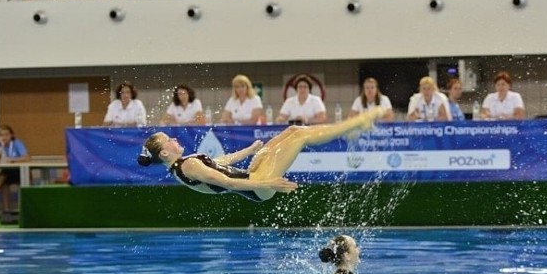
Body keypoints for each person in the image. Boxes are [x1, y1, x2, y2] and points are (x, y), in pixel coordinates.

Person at [138, 106, 384, 202]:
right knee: (300, 136)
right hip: (257, 185)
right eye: (168, 140)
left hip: (253, 177)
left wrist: (251, 150)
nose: (173, 139)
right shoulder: (187, 167)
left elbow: (220, 163)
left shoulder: (184, 165)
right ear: (164, 153)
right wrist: (270, 183)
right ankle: (356, 124)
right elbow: (226, 182)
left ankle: (350, 130)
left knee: (293, 130)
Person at [0, 125, 30, 212]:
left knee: (4, 174)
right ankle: (6, 211)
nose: (4, 137)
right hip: (9, 173)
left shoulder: (17, 143)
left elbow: (27, 158)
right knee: (4, 180)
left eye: (6, 135)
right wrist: (1, 147)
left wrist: (13, 160)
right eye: (2, 135)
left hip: (20, 172)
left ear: (12, 135)